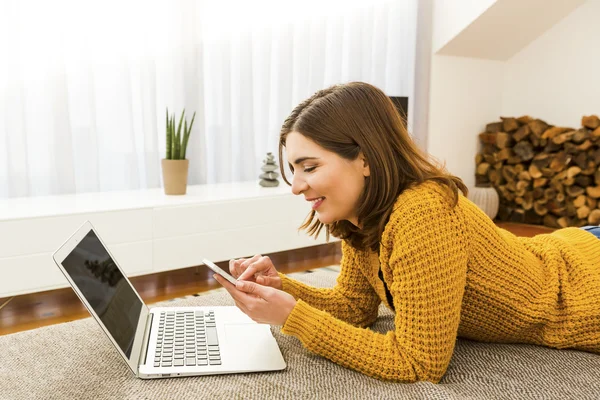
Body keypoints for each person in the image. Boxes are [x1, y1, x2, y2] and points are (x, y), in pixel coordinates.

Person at [212, 81, 600, 383]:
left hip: (585, 285)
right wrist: (282, 289)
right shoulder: (362, 214)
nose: (296, 186)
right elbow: (355, 307)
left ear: (363, 159)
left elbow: (418, 362)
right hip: (564, 246)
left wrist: (294, 317)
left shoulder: (423, 213)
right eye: (294, 169)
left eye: (309, 167)